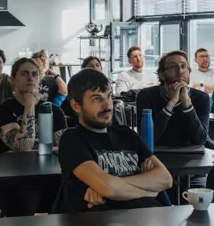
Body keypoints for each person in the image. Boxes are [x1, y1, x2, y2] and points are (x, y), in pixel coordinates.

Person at [58, 69, 173, 213]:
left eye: (109, 96)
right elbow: (109, 188)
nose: (107, 106)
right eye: (97, 99)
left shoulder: (127, 134)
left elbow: (166, 179)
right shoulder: (72, 139)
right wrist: (151, 190)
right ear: (76, 105)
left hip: (152, 215)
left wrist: (113, 186)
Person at [0, 58, 68, 217]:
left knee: (70, 191)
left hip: (50, 175)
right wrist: (30, 105)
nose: (30, 78)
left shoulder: (54, 110)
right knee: (23, 198)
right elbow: (23, 146)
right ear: (13, 80)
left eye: (34, 74)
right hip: (16, 178)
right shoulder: (3, 111)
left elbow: (65, 148)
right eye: (24, 74)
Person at [135, 51, 209, 147]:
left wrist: (187, 105)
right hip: (156, 154)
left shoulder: (202, 98)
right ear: (162, 74)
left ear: (189, 72)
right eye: (173, 67)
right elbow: (146, 139)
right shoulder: (145, 95)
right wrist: (171, 103)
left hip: (192, 154)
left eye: (183, 66)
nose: (180, 71)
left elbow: (199, 140)